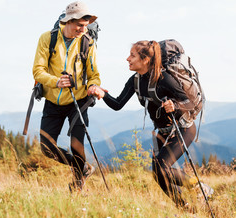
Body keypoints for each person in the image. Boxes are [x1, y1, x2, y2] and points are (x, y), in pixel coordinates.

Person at [90, 40, 213, 207]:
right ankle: (185, 208)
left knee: (162, 167)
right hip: (163, 131)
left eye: (132, 55)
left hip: (183, 128)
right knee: (158, 174)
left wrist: (175, 106)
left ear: (145, 59)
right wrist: (102, 94)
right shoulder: (136, 80)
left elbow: (190, 102)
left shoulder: (165, 79)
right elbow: (118, 104)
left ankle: (198, 187)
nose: (128, 59)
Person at [32, 1, 100, 191]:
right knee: (46, 147)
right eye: (80, 25)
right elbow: (37, 71)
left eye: (86, 26)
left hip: (79, 100)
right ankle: (82, 167)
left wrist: (94, 86)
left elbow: (94, 74)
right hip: (53, 100)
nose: (83, 29)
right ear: (68, 21)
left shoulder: (87, 42)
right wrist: (56, 81)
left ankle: (78, 186)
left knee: (77, 145)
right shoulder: (48, 38)